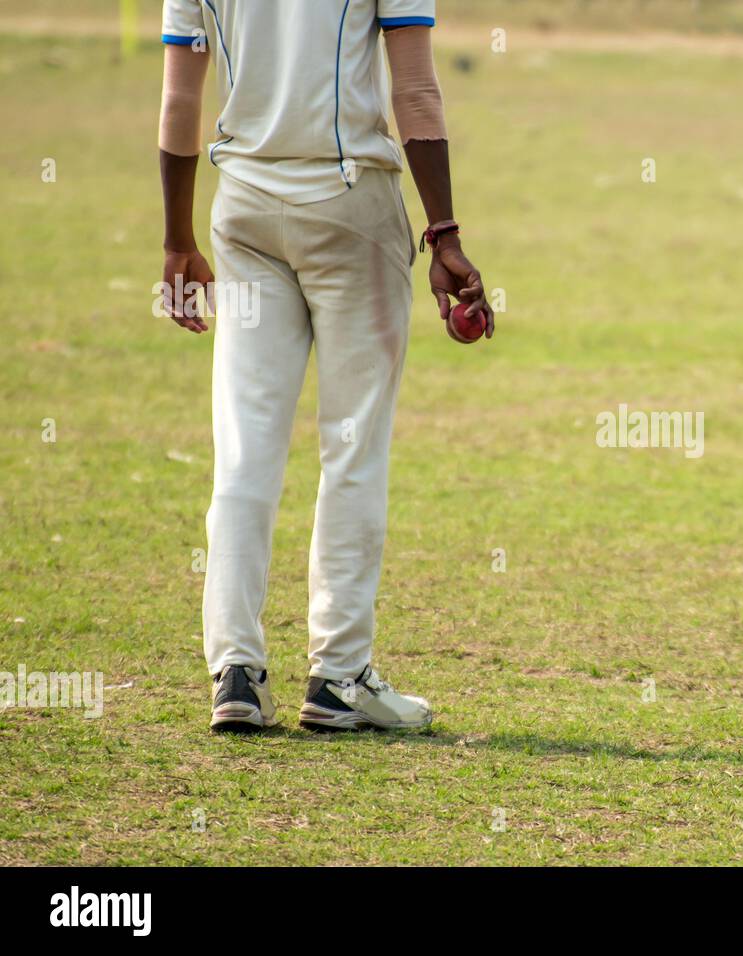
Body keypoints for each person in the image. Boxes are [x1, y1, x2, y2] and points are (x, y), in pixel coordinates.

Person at [156, 0, 492, 732]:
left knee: (245, 449)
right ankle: (338, 677)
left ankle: (236, 673)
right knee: (352, 445)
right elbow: (416, 91)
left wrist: (176, 237)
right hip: (350, 207)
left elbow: (181, 96)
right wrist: (445, 234)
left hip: (242, 210)